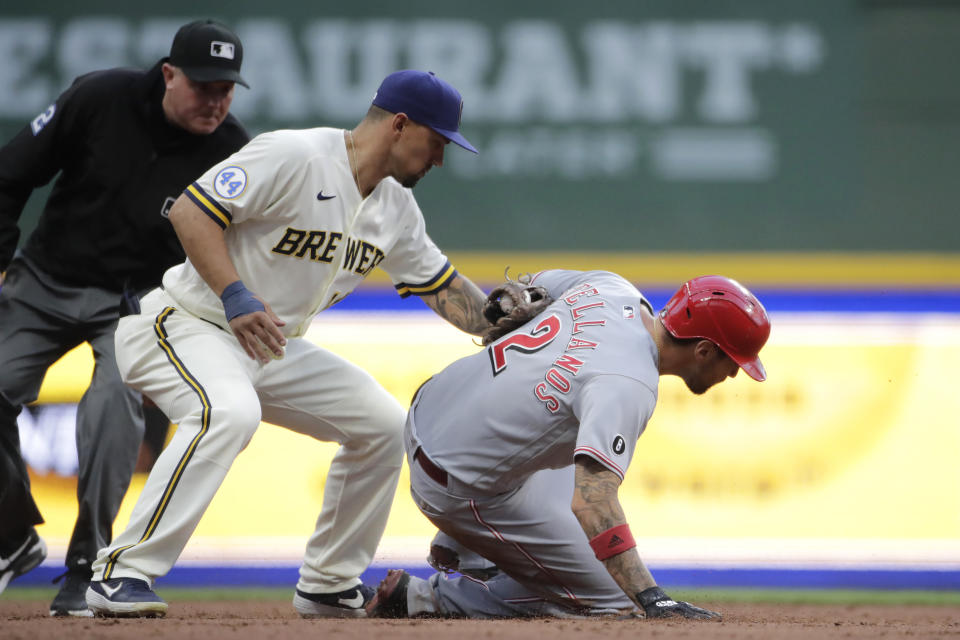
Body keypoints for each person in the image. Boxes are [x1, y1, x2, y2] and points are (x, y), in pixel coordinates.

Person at [83, 69, 490, 619]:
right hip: (187, 322)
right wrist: (234, 293)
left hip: (270, 346)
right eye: (437, 141)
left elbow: (442, 288)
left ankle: (328, 582)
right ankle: (120, 573)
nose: (440, 158)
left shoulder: (395, 208)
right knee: (227, 412)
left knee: (382, 426)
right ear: (399, 124)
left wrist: (507, 323)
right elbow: (190, 210)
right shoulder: (296, 156)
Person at [0, 20, 250, 615]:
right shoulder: (99, 98)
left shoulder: (234, 153)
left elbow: (244, 251)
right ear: (168, 74)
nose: (215, 100)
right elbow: (11, 174)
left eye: (227, 88)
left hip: (139, 305)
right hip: (46, 282)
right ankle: (11, 537)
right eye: (203, 85)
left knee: (113, 407)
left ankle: (87, 566)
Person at [364, 270, 771, 620]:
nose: (735, 374)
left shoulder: (611, 288)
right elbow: (593, 502)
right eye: (733, 361)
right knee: (611, 598)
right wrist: (652, 598)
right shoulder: (629, 384)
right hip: (454, 482)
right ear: (703, 351)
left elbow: (518, 291)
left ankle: (470, 546)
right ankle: (430, 596)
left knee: (568, 431)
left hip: (432, 407)